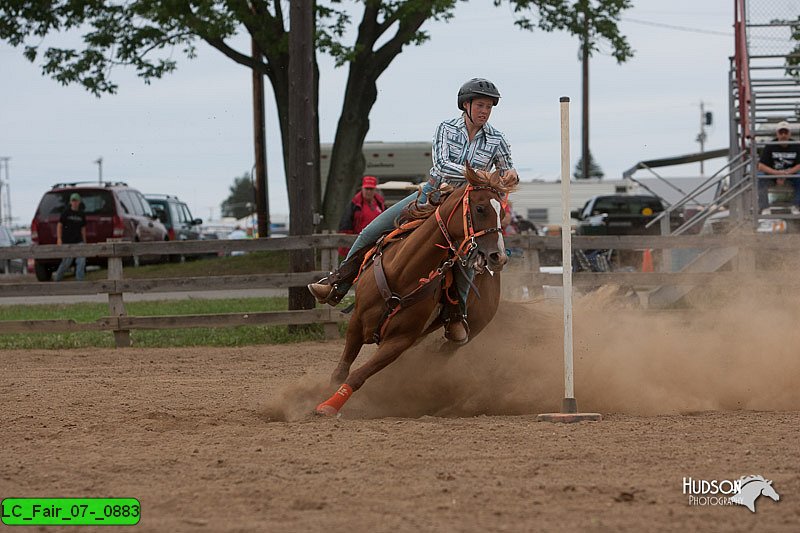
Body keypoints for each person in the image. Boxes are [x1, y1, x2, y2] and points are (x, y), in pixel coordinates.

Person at [309, 77, 518, 343]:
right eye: (480, 105)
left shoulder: (497, 139)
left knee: (466, 255)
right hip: (433, 196)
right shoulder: (446, 129)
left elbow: (508, 170)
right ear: (466, 105)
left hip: (465, 209)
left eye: (489, 106)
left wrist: (510, 176)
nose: (484, 111)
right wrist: (479, 175)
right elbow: (442, 165)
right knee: (373, 230)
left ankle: (456, 314)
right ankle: (338, 282)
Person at [337, 176, 386, 258]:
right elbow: (345, 226)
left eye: (371, 189)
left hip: (377, 244)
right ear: (362, 189)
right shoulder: (354, 205)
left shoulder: (380, 204)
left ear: (375, 190)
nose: (368, 192)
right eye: (366, 189)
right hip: (359, 244)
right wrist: (347, 250)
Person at [757, 120, 800, 210]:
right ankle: (764, 208)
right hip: (773, 175)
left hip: (791, 174)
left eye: (786, 132)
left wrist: (786, 173)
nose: (783, 135)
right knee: (760, 178)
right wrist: (777, 174)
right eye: (781, 132)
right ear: (777, 133)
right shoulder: (770, 145)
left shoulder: (796, 145)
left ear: (789, 134)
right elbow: (761, 166)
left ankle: (796, 206)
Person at [53, 192, 87, 281]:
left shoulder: (81, 214)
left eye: (76, 201)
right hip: (67, 241)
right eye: (73, 201)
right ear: (70, 202)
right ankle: (57, 280)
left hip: (79, 241)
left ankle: (80, 282)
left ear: (79, 202)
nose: (75, 203)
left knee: (81, 262)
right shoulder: (66, 212)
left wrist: (84, 241)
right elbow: (59, 225)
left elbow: (83, 229)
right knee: (66, 263)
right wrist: (59, 239)